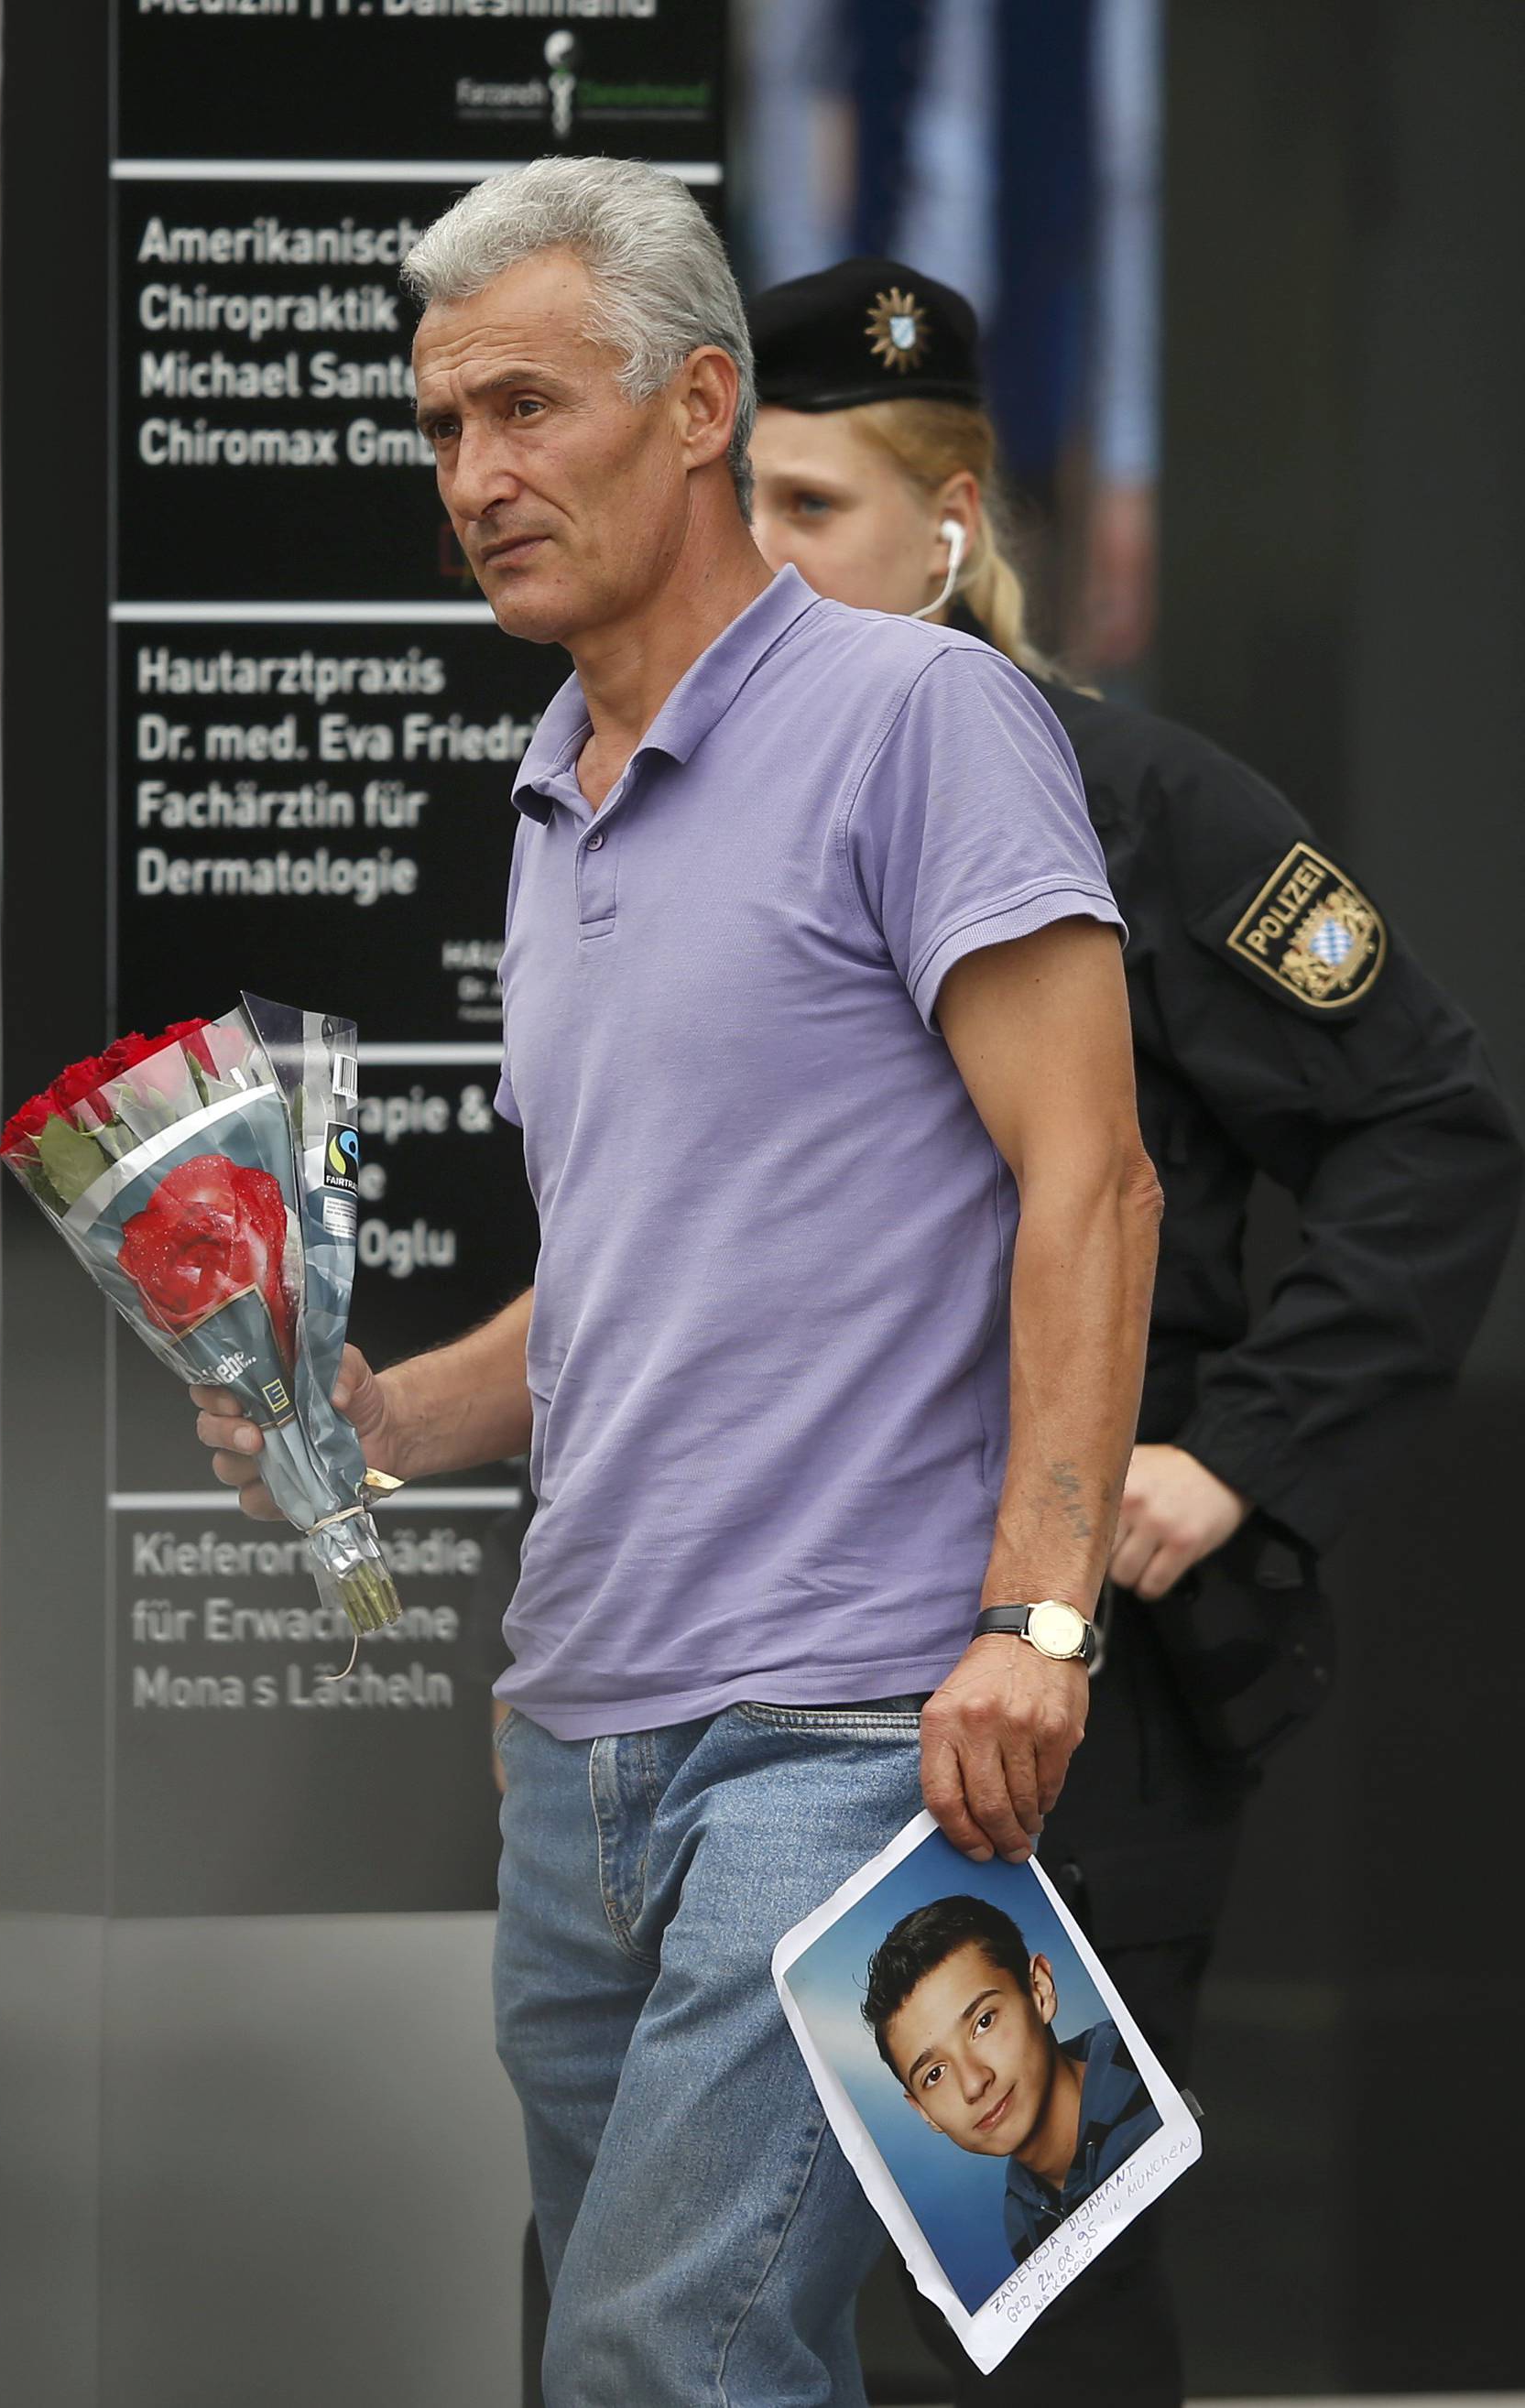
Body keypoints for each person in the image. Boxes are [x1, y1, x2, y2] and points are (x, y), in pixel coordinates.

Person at [191, 158, 1162, 2408]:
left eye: (526, 407)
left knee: (661, 2360)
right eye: (441, 429)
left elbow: (1090, 1178)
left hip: (846, 1734)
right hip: (576, 1748)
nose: (477, 476)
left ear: (703, 402)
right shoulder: (557, 788)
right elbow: (649, 1266)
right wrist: (381, 1418)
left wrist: (1033, 1615)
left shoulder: (916, 716)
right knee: (657, 2361)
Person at [743, 254, 1524, 2403]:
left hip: (1066, 1686)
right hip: (791, 1651)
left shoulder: (1136, 807)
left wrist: (1242, 1447)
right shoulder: (726, 820)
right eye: (743, 509)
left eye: (813, 507)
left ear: (950, 516)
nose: (766, 559)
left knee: (1003, 2269)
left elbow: (1432, 1129)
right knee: (723, 2246)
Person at [863, 1894, 1160, 2263]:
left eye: (983, 2022)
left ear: (1040, 1990)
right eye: (934, 2074)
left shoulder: (1159, 2095)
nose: (973, 2084)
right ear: (922, 2111)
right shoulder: (1023, 2217)